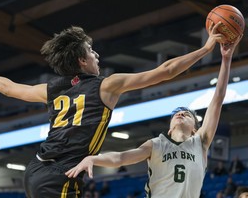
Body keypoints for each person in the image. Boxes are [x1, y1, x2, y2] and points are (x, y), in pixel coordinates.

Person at [0, 24, 224, 198]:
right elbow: (165, 71)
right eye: (91, 51)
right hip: (61, 174)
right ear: (81, 61)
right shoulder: (107, 86)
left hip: (36, 170)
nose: (96, 54)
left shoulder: (52, 88)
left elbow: (12, 89)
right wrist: (205, 48)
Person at [65, 35, 242, 198]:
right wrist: (93, 158)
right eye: (176, 114)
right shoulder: (157, 144)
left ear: (195, 128)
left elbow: (218, 98)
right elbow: (121, 158)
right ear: (170, 126)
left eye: (187, 114)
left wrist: (226, 59)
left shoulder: (201, 142)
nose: (181, 113)